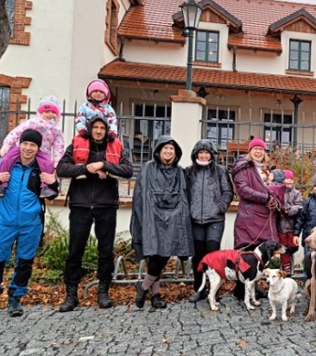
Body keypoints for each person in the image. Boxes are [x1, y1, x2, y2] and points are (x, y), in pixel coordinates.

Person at [0, 129, 59, 320]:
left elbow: (52, 194)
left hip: (31, 223)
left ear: (38, 148)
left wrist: (53, 183)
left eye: (33, 145)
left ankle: (15, 298)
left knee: (24, 262)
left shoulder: (42, 168)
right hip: (5, 221)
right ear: (19, 144)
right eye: (25, 144)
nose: (28, 148)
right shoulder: (5, 164)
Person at [56, 114, 133, 312]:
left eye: (102, 128)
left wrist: (104, 166)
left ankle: (103, 292)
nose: (99, 131)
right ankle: (71, 294)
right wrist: (86, 169)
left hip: (106, 205)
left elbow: (127, 170)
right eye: (96, 127)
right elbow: (62, 168)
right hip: (81, 204)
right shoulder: (77, 144)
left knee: (105, 251)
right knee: (75, 251)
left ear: (107, 130)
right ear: (90, 129)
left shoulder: (116, 146)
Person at [130, 135, 194, 310]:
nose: (168, 151)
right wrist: (146, 218)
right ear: (158, 150)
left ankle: (143, 287)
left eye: (171, 149)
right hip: (153, 217)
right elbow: (142, 195)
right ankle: (156, 295)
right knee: (155, 255)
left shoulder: (180, 172)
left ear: (176, 153)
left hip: (173, 219)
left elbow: (183, 197)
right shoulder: (148, 169)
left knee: (164, 254)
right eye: (165, 148)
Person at [231, 138, 284, 300]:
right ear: (250, 151)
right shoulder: (243, 168)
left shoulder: (268, 170)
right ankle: (240, 289)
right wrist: (266, 198)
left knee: (261, 257)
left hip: (264, 217)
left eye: (261, 149)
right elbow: (244, 190)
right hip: (249, 217)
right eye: (255, 149)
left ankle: (253, 287)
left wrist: (275, 200)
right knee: (246, 253)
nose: (258, 152)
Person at [0, 96, 65, 198]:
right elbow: (16, 132)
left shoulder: (57, 129)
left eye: (53, 112)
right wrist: (7, 143)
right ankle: (1, 186)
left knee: (48, 165)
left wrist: (57, 160)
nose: (50, 114)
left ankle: (45, 188)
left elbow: (59, 145)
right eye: (46, 111)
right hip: (19, 148)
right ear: (40, 113)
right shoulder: (33, 122)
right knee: (6, 159)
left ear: (57, 114)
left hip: (43, 152)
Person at [186, 140, 234, 304]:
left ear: (212, 154)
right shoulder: (190, 172)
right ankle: (199, 289)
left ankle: (215, 290)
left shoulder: (220, 171)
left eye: (207, 152)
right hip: (195, 220)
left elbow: (228, 192)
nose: (204, 155)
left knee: (213, 255)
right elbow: (184, 193)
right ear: (196, 154)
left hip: (215, 220)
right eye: (201, 152)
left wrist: (219, 208)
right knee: (198, 256)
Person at [278, 170, 302, 275]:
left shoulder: (296, 193)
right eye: (286, 178)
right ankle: (285, 269)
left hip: (292, 226)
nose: (288, 181)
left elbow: (299, 206)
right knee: (283, 248)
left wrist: (289, 210)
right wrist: (280, 210)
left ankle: (290, 268)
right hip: (281, 227)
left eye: (291, 179)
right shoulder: (279, 192)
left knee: (292, 247)